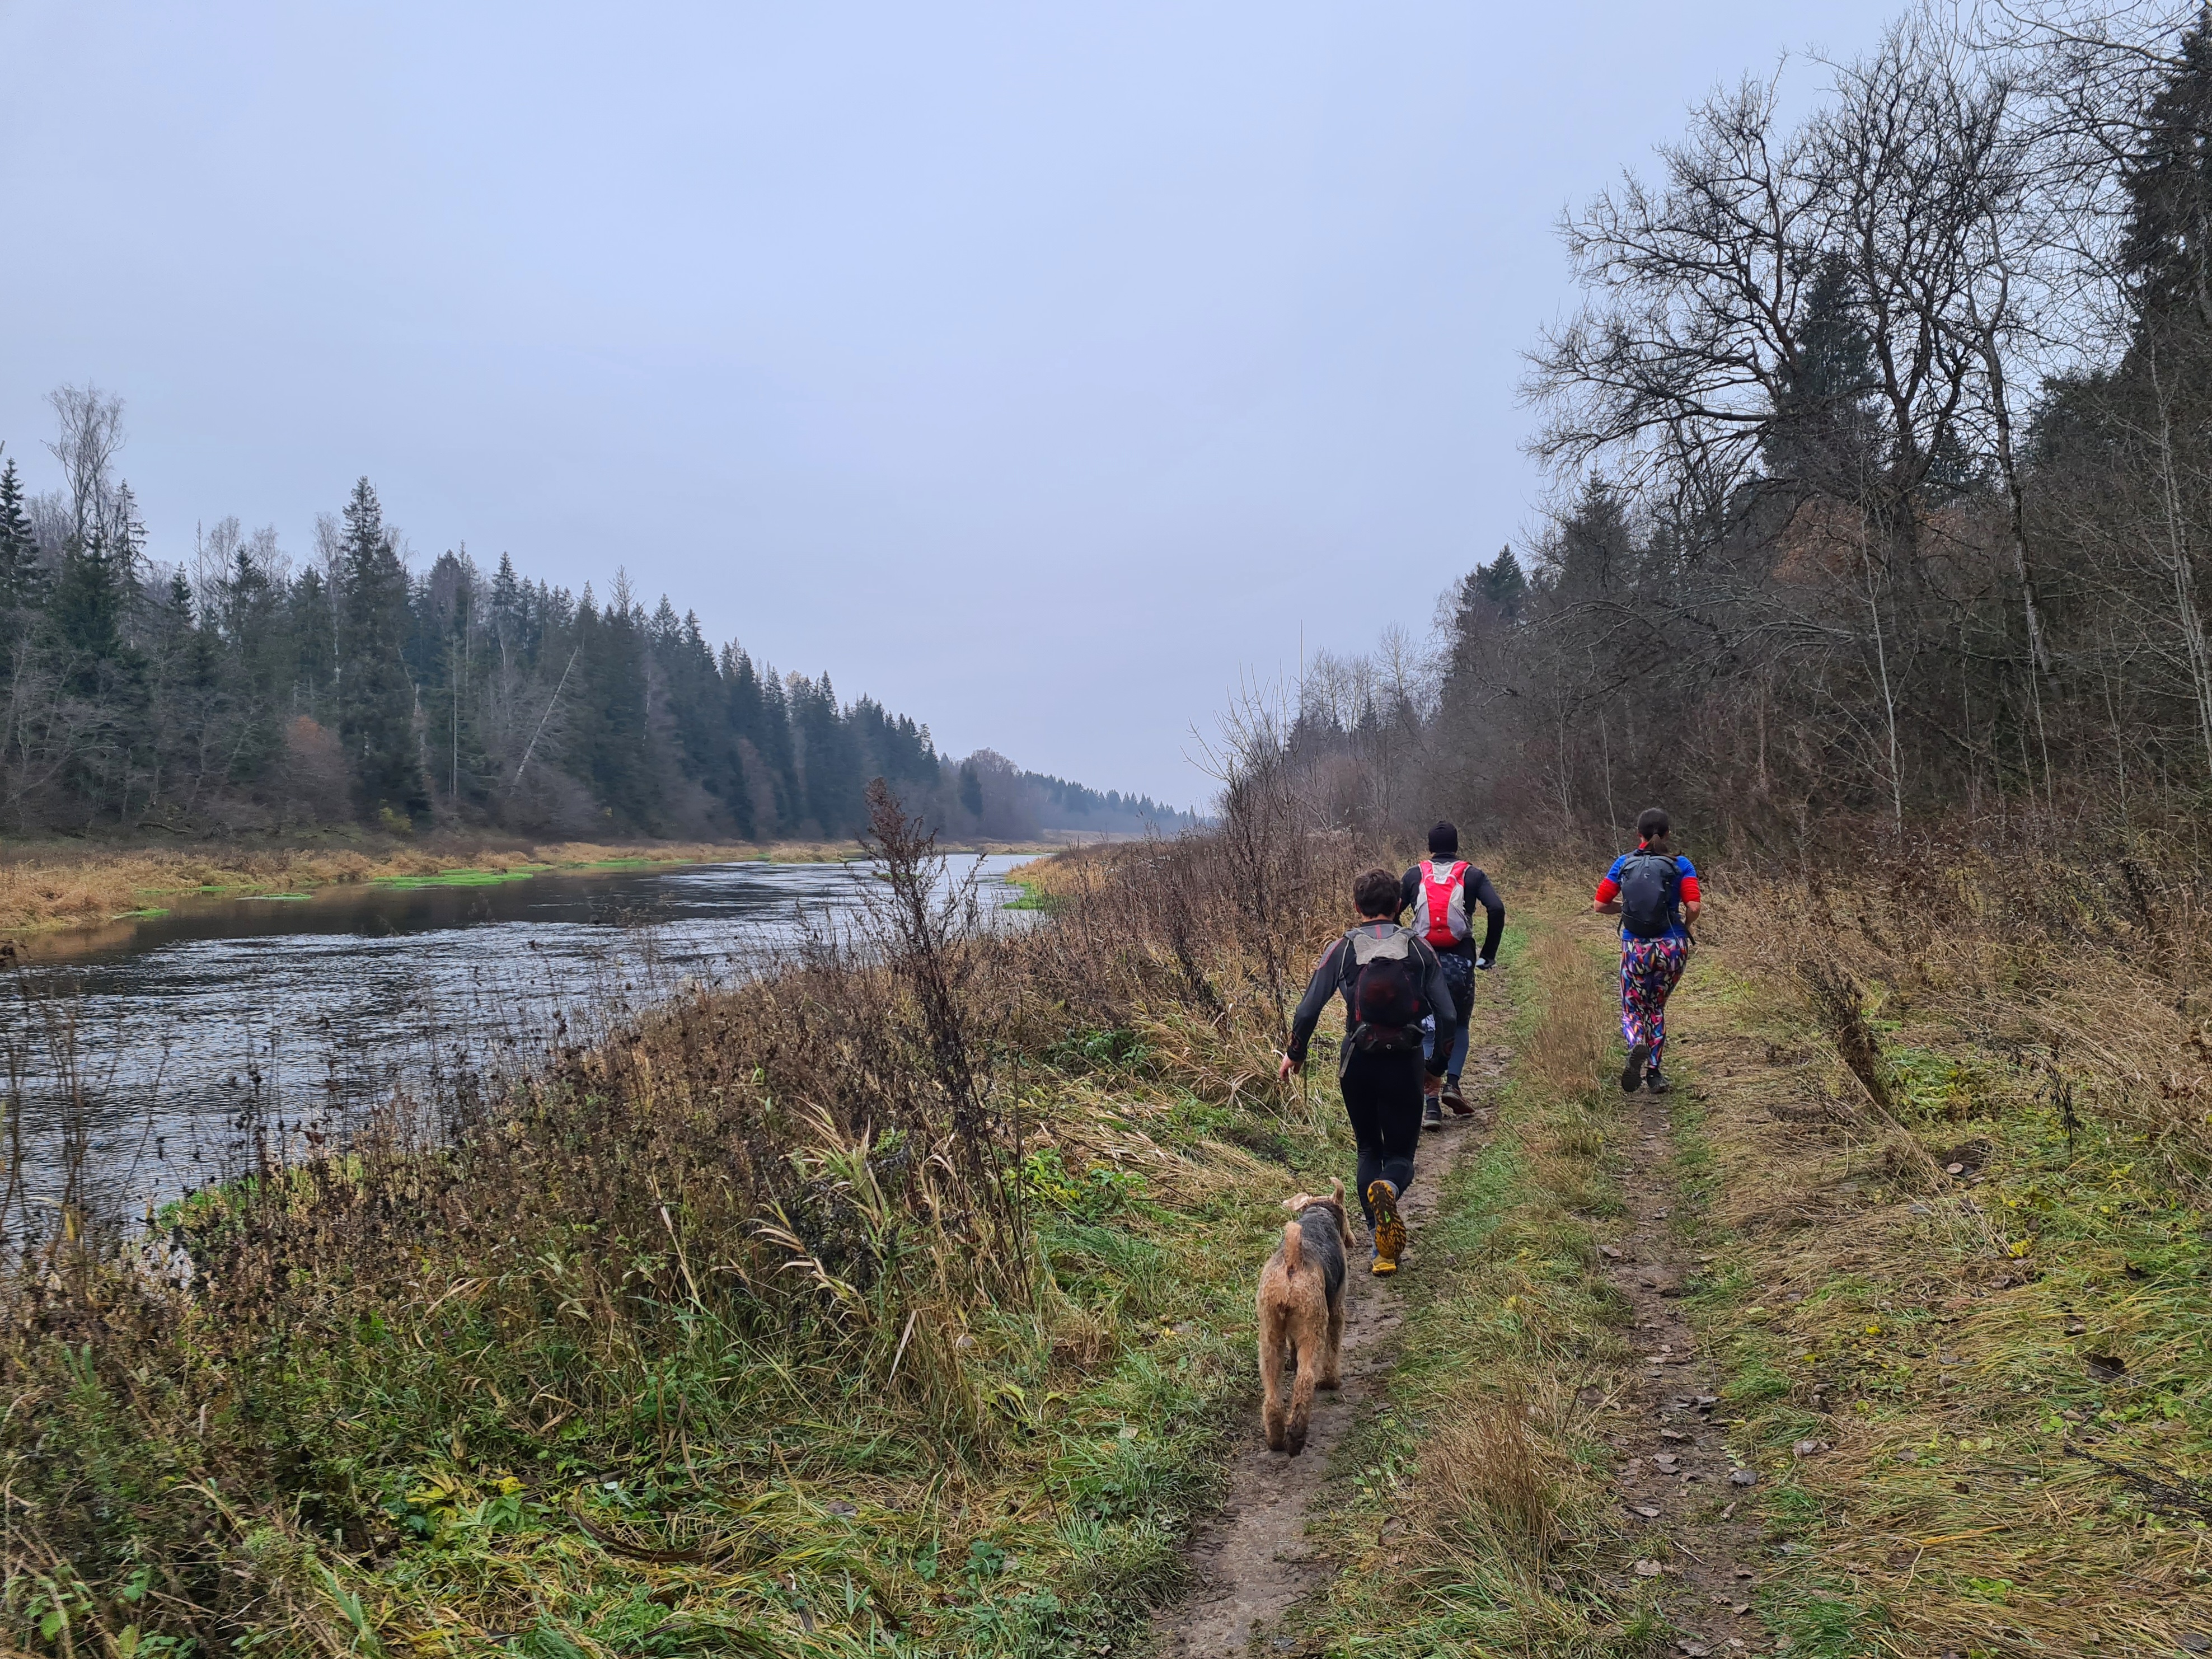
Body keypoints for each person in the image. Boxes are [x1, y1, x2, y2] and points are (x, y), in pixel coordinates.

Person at [1277, 868, 1458, 1276]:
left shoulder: (1341, 948)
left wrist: (1295, 1054)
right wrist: (1436, 1069)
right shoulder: (1419, 948)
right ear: (1399, 905)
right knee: (1400, 1156)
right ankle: (1387, 1197)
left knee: (1368, 1150)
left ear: (1357, 906)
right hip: (1405, 1061)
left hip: (1357, 1060)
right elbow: (1448, 1015)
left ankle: (1379, 1239)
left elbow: (1307, 1009)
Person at [1399, 822, 1505, 1130]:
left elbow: (1391, 911)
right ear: (1456, 846)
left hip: (1422, 960)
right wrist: (1489, 953)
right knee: (1458, 1024)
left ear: (1430, 847)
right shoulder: (1472, 874)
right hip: (1461, 961)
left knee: (1427, 1026)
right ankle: (1453, 1085)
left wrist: (1401, 944)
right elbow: (1496, 909)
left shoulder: (1414, 874)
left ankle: (1431, 1105)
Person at [1592, 807, 1702, 1094]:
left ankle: (1636, 1042)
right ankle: (1655, 1074)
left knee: (1633, 1009)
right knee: (1656, 1008)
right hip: (1672, 947)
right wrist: (1685, 925)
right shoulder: (1682, 864)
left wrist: (1627, 910)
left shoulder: (1623, 863)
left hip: (1636, 947)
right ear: (1668, 834)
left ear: (1638, 834)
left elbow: (1600, 905)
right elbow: (1694, 906)